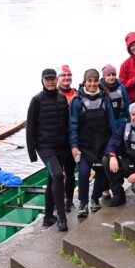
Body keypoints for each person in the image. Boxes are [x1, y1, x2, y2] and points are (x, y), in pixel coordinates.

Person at [27, 68, 71, 231]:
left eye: (53, 78)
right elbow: (30, 127)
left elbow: (66, 125)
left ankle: (47, 217)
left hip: (61, 146)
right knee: (59, 175)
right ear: (42, 81)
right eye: (48, 79)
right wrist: (32, 152)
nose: (51, 81)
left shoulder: (61, 98)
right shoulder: (36, 100)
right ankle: (61, 216)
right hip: (45, 147)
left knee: (52, 179)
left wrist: (70, 147)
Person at [69, 68, 116, 216]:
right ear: (84, 82)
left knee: (101, 172)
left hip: (102, 145)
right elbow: (73, 125)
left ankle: (95, 198)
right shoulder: (77, 101)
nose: (93, 84)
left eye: (95, 81)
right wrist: (74, 145)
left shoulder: (105, 99)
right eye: (89, 81)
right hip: (85, 146)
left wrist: (114, 145)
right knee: (83, 173)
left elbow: (112, 123)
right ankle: (83, 203)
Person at [57, 65, 77, 212]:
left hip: (72, 139)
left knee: (70, 171)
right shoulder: (53, 94)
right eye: (63, 75)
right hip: (57, 140)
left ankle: (69, 200)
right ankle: (56, 202)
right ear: (58, 78)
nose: (67, 77)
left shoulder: (77, 93)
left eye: (69, 75)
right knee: (57, 174)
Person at [100, 64, 130, 132]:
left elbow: (127, 104)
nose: (111, 77)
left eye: (113, 75)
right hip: (106, 123)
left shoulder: (121, 87)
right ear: (104, 76)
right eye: (108, 75)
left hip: (121, 120)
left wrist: (128, 119)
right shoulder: (100, 89)